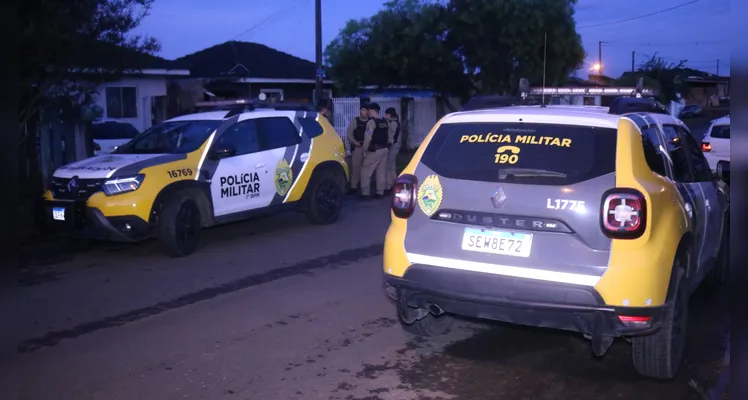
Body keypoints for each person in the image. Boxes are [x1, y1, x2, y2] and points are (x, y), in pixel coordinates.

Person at [359, 103, 390, 199]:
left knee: (366, 171)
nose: (367, 112)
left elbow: (368, 137)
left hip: (374, 151)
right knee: (381, 172)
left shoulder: (371, 123)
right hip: (384, 149)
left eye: (368, 110)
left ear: (372, 110)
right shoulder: (385, 122)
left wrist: (364, 150)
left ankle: (365, 193)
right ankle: (380, 192)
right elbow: (389, 136)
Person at [345, 104, 369, 194]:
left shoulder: (371, 121)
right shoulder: (355, 121)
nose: (365, 112)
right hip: (358, 147)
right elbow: (349, 134)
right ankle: (354, 186)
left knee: (366, 169)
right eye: (363, 110)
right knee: (355, 168)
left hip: (368, 148)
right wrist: (355, 143)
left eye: (366, 110)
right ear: (360, 111)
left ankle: (364, 186)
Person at [383, 107, 401, 194]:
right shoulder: (395, 122)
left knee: (388, 166)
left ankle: (389, 186)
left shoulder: (393, 124)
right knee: (392, 166)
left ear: (390, 115)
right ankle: (395, 183)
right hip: (395, 146)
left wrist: (388, 145)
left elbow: (392, 136)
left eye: (386, 114)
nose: (385, 116)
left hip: (393, 146)